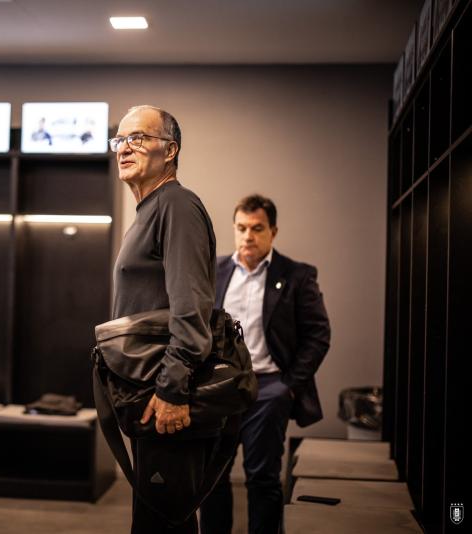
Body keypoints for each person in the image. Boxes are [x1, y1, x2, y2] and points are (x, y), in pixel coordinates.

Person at [111, 105, 218, 533]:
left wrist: (173, 388)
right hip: (148, 394)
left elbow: (191, 307)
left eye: (138, 138)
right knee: (155, 520)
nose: (124, 148)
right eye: (119, 140)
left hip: (165, 397)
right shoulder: (151, 209)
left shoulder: (177, 204)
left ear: (170, 150)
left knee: (164, 524)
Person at [199, 194, 331, 534]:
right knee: (210, 477)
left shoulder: (296, 275)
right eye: (241, 228)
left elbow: (318, 335)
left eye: (257, 228)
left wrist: (288, 387)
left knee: (262, 479)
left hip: (269, 388)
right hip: (220, 388)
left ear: (273, 231)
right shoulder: (214, 271)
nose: (248, 236)